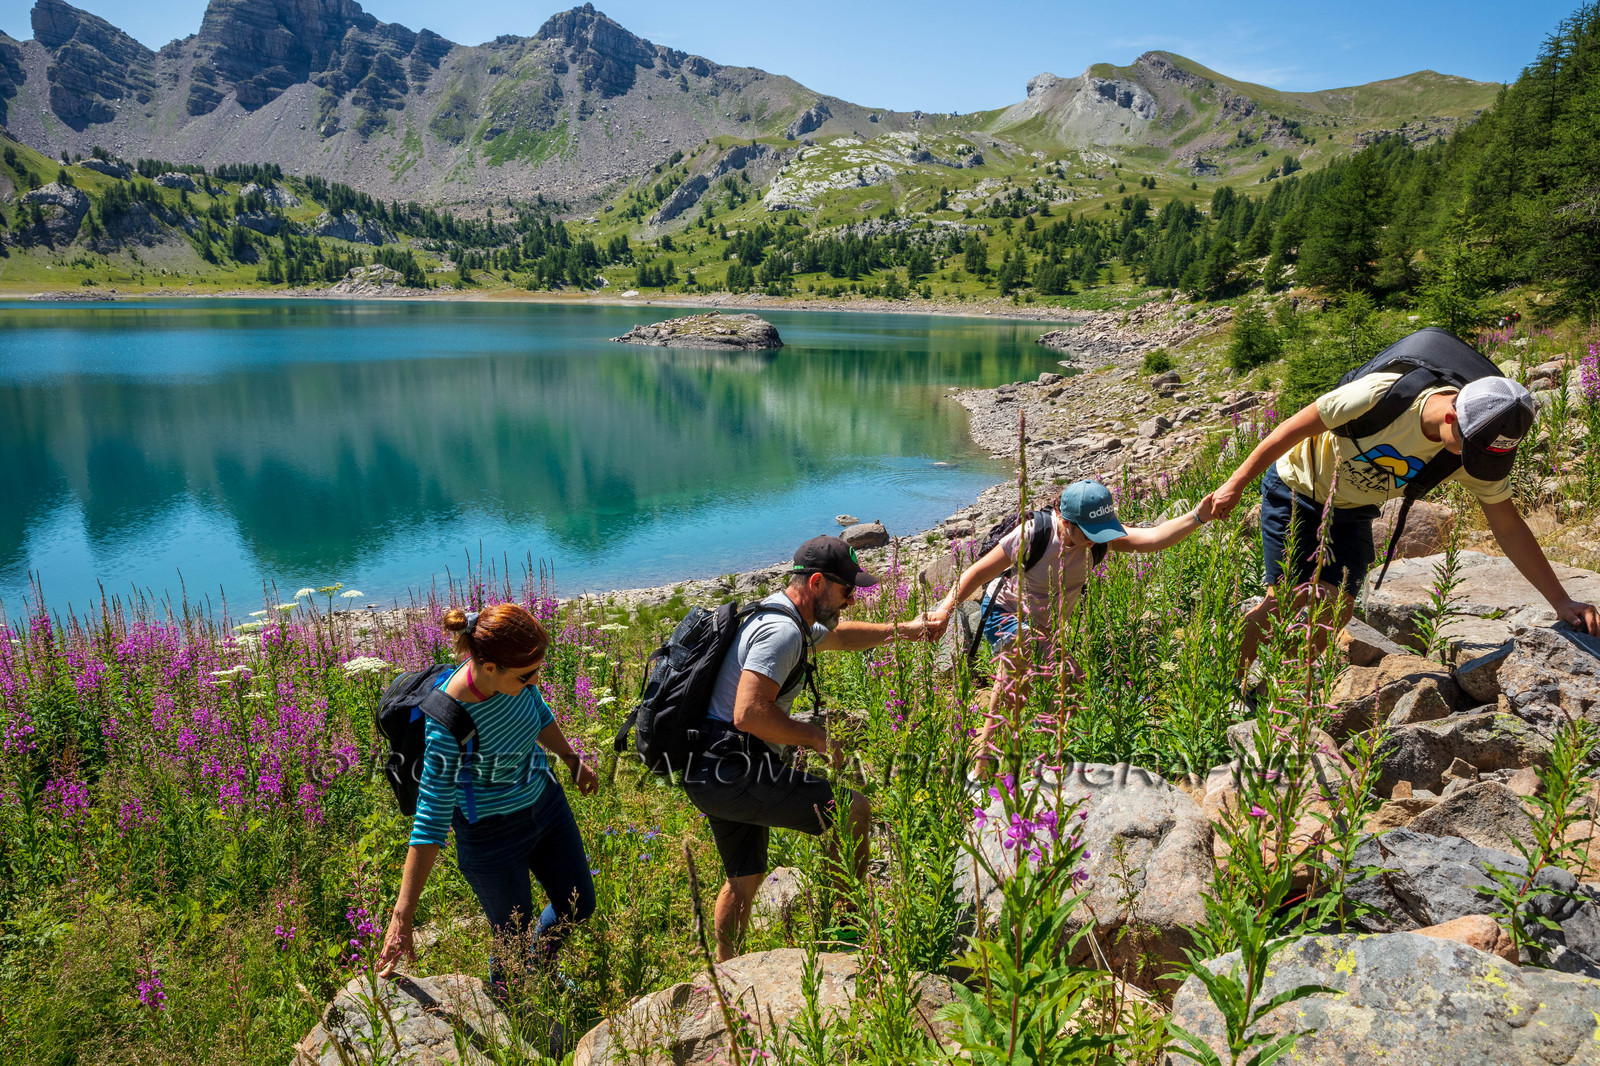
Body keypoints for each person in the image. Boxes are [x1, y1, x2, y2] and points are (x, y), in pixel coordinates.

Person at [1210, 365, 1600, 685]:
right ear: (1452, 416)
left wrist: (1561, 601)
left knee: (1338, 607)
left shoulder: (1472, 453)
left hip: (1353, 509)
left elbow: (1510, 527)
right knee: (1288, 598)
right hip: (1297, 486)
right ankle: (1228, 683)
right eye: (1470, 450)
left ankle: (1280, 684)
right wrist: (1235, 484)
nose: (1474, 462)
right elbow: (1291, 428)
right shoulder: (1382, 396)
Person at [683, 535, 939, 961]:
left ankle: (728, 972)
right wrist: (818, 738)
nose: (851, 601)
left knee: (745, 876)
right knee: (852, 810)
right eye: (846, 590)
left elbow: (842, 637)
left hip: (707, 766)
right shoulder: (782, 632)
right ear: (817, 583)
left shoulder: (781, 614)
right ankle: (848, 928)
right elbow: (749, 714)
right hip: (731, 769)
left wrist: (904, 630)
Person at [376, 603, 600, 990]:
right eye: (527, 675)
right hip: (491, 837)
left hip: (546, 805)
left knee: (576, 906)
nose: (535, 681)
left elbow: (539, 713)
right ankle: (512, 1007)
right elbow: (429, 822)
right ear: (490, 667)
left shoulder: (515, 681)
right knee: (512, 938)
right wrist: (403, 915)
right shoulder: (447, 720)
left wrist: (571, 759)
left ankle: (541, 966)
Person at [929, 479, 1215, 771]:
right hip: (1005, 615)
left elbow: (1153, 539)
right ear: (1065, 521)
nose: (1095, 540)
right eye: (1089, 533)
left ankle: (1033, 764)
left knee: (1042, 691)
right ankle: (1003, 770)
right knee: (1047, 674)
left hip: (1044, 628)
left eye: (1101, 532)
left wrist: (1198, 516)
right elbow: (977, 573)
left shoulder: (1100, 537)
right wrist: (944, 610)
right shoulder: (1033, 535)